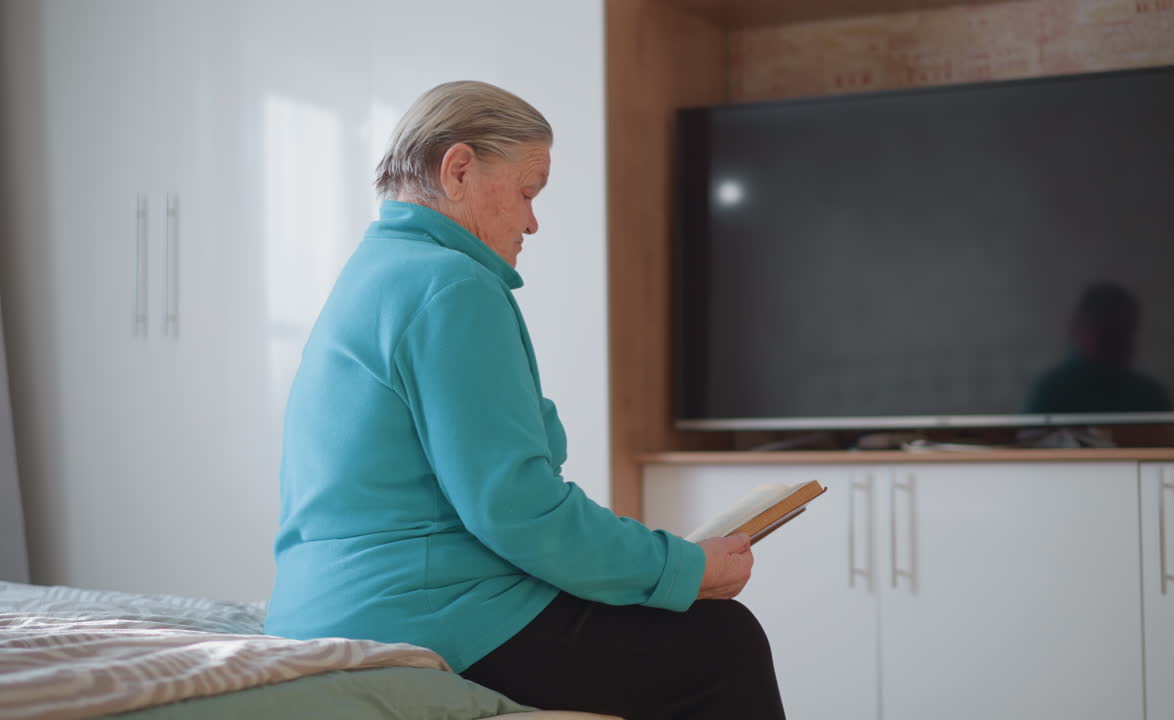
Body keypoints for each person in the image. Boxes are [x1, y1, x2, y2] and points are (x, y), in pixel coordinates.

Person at [264, 81, 785, 720]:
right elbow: (518, 512)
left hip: (322, 606)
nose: (533, 221)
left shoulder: (375, 269)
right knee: (722, 644)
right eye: (527, 191)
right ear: (458, 169)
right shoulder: (450, 286)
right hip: (421, 616)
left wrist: (666, 568)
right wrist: (684, 570)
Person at [1023, 282, 1171, 415]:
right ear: (1078, 329)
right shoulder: (1051, 391)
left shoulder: (1150, 395)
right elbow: (1030, 440)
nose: (1115, 341)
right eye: (1108, 331)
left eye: (1123, 331)